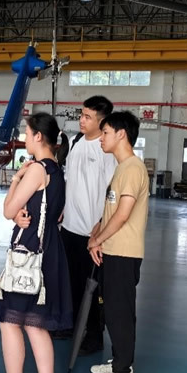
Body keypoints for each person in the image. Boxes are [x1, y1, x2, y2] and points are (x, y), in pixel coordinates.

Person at [0, 112, 72, 373]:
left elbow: (7, 209)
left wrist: (16, 179)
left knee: (9, 320)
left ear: (38, 136)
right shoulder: (56, 170)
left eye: (27, 134)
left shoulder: (37, 169)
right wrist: (20, 214)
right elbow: (51, 214)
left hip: (29, 250)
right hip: (50, 249)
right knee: (36, 325)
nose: (24, 138)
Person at [87, 111, 148, 373]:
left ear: (121, 134)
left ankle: (123, 371)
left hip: (124, 252)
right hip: (113, 250)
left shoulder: (133, 168)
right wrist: (97, 231)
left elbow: (123, 214)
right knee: (112, 311)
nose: (101, 138)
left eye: (106, 133)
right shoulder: (122, 168)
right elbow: (111, 212)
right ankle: (118, 363)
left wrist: (96, 240)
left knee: (120, 312)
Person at [57, 96, 117, 353]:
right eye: (81, 115)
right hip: (70, 227)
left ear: (101, 121)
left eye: (87, 117)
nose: (81, 120)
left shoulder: (106, 151)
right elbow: (70, 180)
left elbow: (112, 192)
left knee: (91, 287)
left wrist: (101, 226)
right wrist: (63, 207)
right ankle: (70, 325)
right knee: (69, 281)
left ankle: (93, 337)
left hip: (91, 232)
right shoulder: (76, 142)